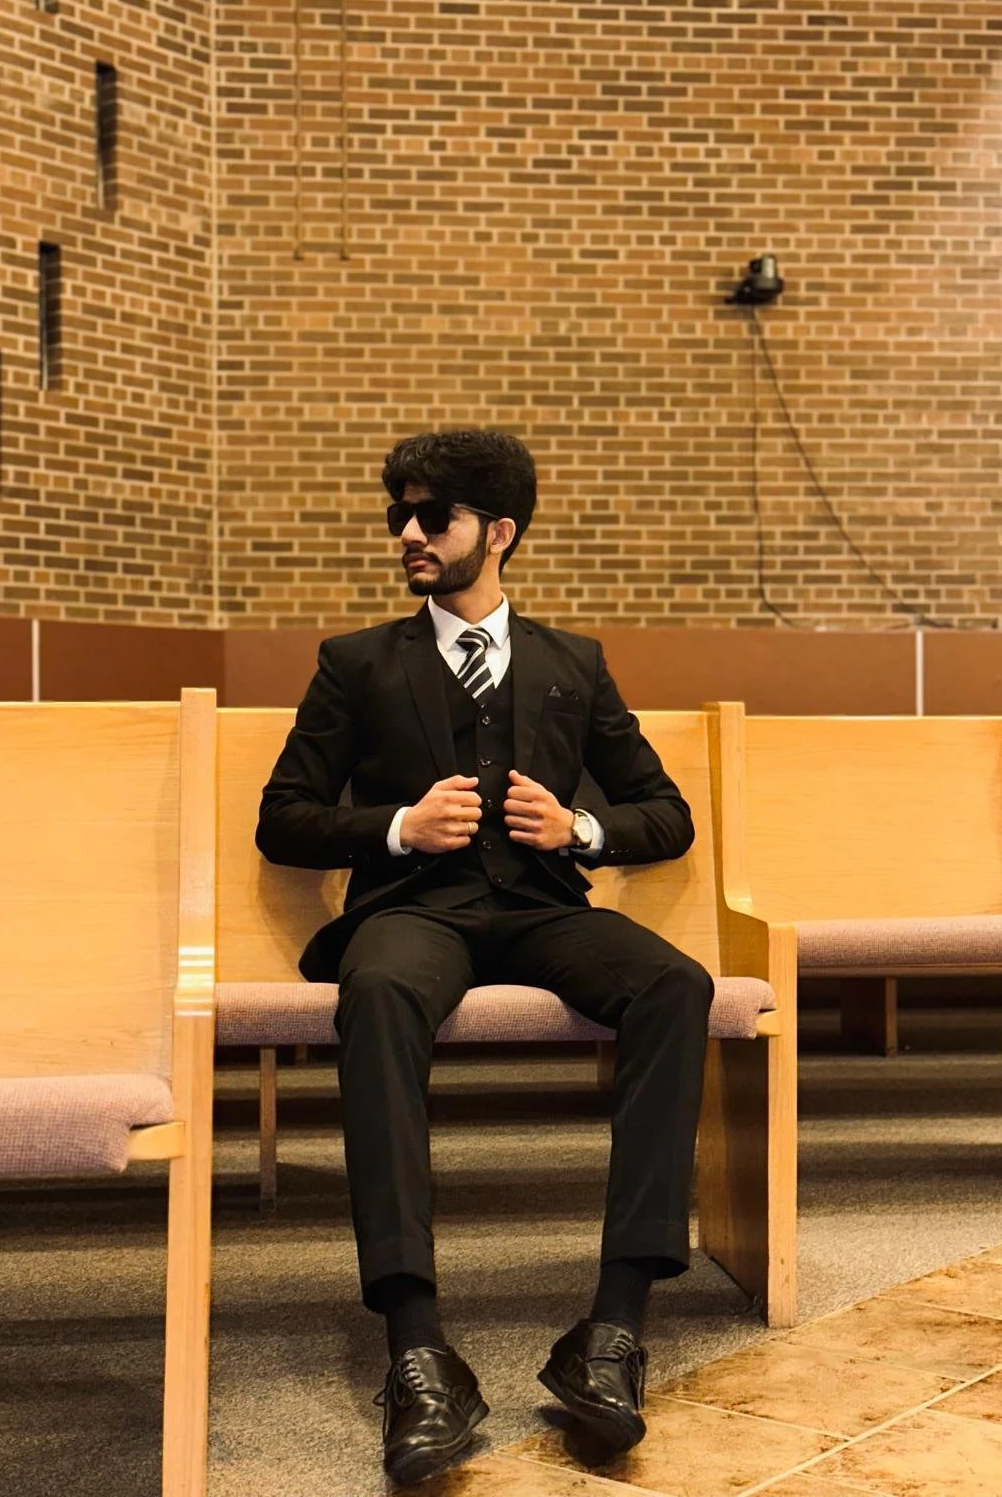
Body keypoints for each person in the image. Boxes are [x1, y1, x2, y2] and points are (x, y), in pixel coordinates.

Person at [256, 430, 713, 1487]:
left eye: (435, 518)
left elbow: (665, 814)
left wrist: (582, 831)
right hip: (417, 909)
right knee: (373, 990)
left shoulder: (572, 664)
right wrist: (396, 827)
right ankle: (417, 1348)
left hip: (543, 907)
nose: (409, 535)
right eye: (400, 517)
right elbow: (284, 819)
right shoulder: (357, 662)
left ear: (498, 533)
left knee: (673, 983)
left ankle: (611, 1331)